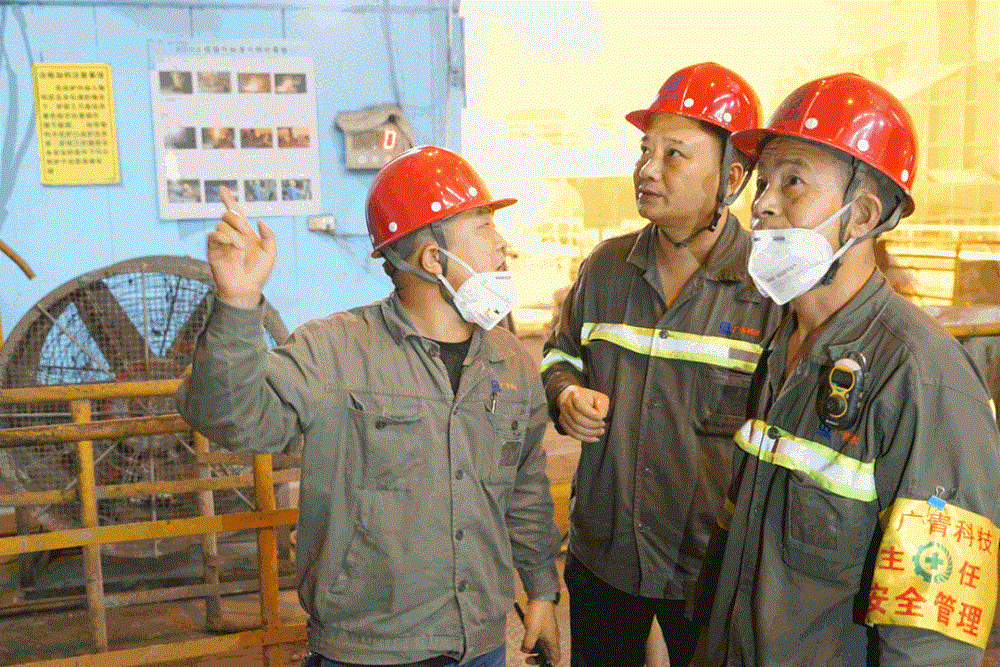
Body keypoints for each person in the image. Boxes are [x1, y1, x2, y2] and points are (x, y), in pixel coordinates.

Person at [176, 146, 562, 667]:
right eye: (484, 227)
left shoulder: (510, 362)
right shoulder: (335, 350)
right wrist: (238, 303)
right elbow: (232, 419)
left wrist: (542, 590)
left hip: (482, 643)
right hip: (368, 650)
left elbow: (525, 487)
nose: (501, 244)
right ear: (433, 259)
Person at [693, 73, 1000, 666]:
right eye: (763, 180)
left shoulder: (923, 377)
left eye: (793, 182)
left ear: (861, 215)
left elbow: (930, 635)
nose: (763, 203)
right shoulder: (783, 342)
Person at [540, 62, 785, 667]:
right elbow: (561, 351)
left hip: (711, 568)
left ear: (731, 178)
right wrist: (566, 393)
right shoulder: (605, 269)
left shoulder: (770, 290)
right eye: (645, 150)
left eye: (674, 154)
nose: (647, 169)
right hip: (605, 556)